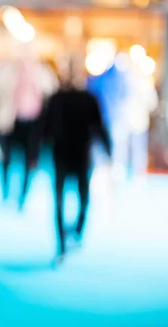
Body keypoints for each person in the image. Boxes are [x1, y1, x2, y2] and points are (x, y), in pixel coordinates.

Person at [44, 60, 111, 264]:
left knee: (61, 198)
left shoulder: (57, 98)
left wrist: (35, 153)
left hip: (65, 153)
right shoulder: (87, 98)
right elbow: (99, 126)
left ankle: (64, 242)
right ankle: (75, 233)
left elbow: (44, 128)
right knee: (81, 195)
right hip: (79, 154)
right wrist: (109, 152)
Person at [0, 54, 57, 209]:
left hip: (33, 123)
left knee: (29, 160)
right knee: (5, 159)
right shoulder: (9, 72)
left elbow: (50, 91)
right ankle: (5, 193)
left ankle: (23, 197)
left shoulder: (41, 74)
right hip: (12, 121)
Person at [125, 65, 159, 178]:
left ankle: (133, 172)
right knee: (136, 148)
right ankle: (136, 172)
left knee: (132, 148)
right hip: (135, 121)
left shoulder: (131, 82)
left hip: (133, 121)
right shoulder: (142, 83)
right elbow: (153, 103)